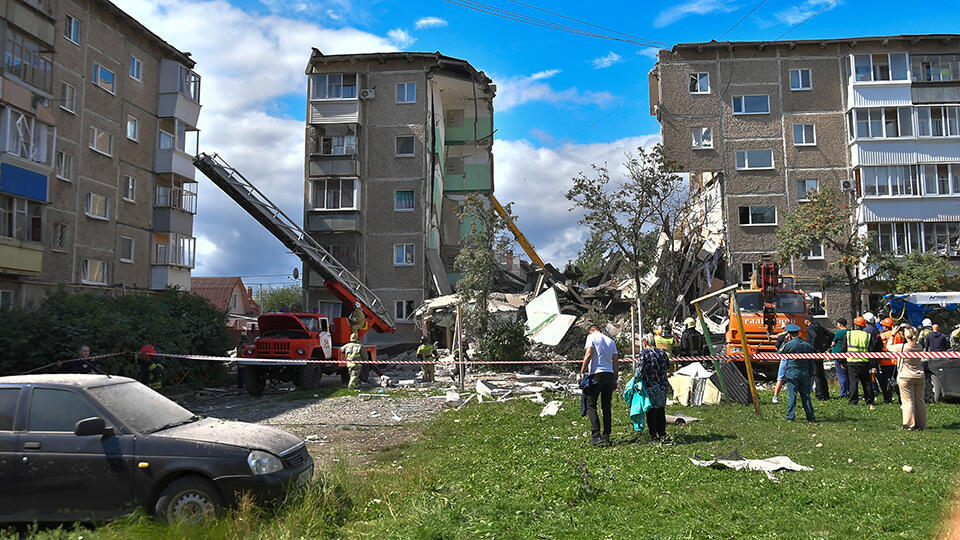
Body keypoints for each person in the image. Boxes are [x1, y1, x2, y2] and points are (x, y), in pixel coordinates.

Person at [580, 324, 619, 446]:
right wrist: (615, 378)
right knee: (606, 406)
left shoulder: (592, 337)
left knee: (591, 405)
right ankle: (606, 434)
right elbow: (615, 361)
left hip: (597, 374)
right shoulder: (611, 341)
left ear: (591, 331)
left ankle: (596, 435)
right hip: (609, 374)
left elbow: (589, 353)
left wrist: (582, 370)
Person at [779, 324, 816, 422]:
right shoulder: (807, 345)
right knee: (806, 396)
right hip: (804, 372)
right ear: (798, 333)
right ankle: (810, 417)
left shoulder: (788, 345)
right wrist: (811, 373)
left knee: (792, 395)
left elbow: (779, 353)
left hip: (792, 371)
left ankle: (790, 417)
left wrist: (784, 342)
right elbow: (811, 361)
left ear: (789, 334)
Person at [636, 334, 670, 441]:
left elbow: (640, 370)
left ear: (645, 342)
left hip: (650, 385)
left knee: (651, 411)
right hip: (662, 385)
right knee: (661, 410)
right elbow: (667, 366)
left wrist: (636, 381)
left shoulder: (644, 354)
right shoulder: (662, 353)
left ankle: (653, 435)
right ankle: (662, 433)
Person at [892, 326, 926, 430]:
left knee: (908, 401)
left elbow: (888, 347)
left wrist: (893, 334)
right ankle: (921, 424)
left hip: (905, 376)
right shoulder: (919, 346)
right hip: (919, 375)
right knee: (920, 401)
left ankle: (909, 424)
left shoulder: (902, 347)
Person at [843, 317, 876, 405]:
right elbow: (871, 350)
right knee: (866, 382)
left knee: (853, 382)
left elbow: (844, 349)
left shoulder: (849, 334)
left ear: (855, 325)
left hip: (851, 362)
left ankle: (853, 401)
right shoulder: (868, 335)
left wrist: (842, 362)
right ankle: (869, 400)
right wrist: (872, 363)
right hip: (864, 362)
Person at [805, 317, 831, 401]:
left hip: (814, 353)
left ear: (807, 321)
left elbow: (814, 336)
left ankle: (820, 395)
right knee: (821, 374)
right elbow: (831, 334)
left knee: (816, 374)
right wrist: (825, 347)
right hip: (820, 351)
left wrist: (811, 348)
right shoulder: (819, 326)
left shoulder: (810, 328)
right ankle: (826, 393)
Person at [875, 317, 900, 404]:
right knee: (898, 381)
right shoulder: (900, 335)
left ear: (885, 327)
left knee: (886, 382)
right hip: (897, 362)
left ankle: (887, 399)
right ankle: (901, 398)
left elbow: (878, 348)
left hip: (886, 362)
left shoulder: (882, 336)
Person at [831, 318, 850, 398]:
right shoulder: (850, 332)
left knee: (841, 375)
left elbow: (833, 343)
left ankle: (843, 393)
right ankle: (849, 391)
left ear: (840, 324)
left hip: (838, 355)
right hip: (848, 355)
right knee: (848, 375)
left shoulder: (838, 333)